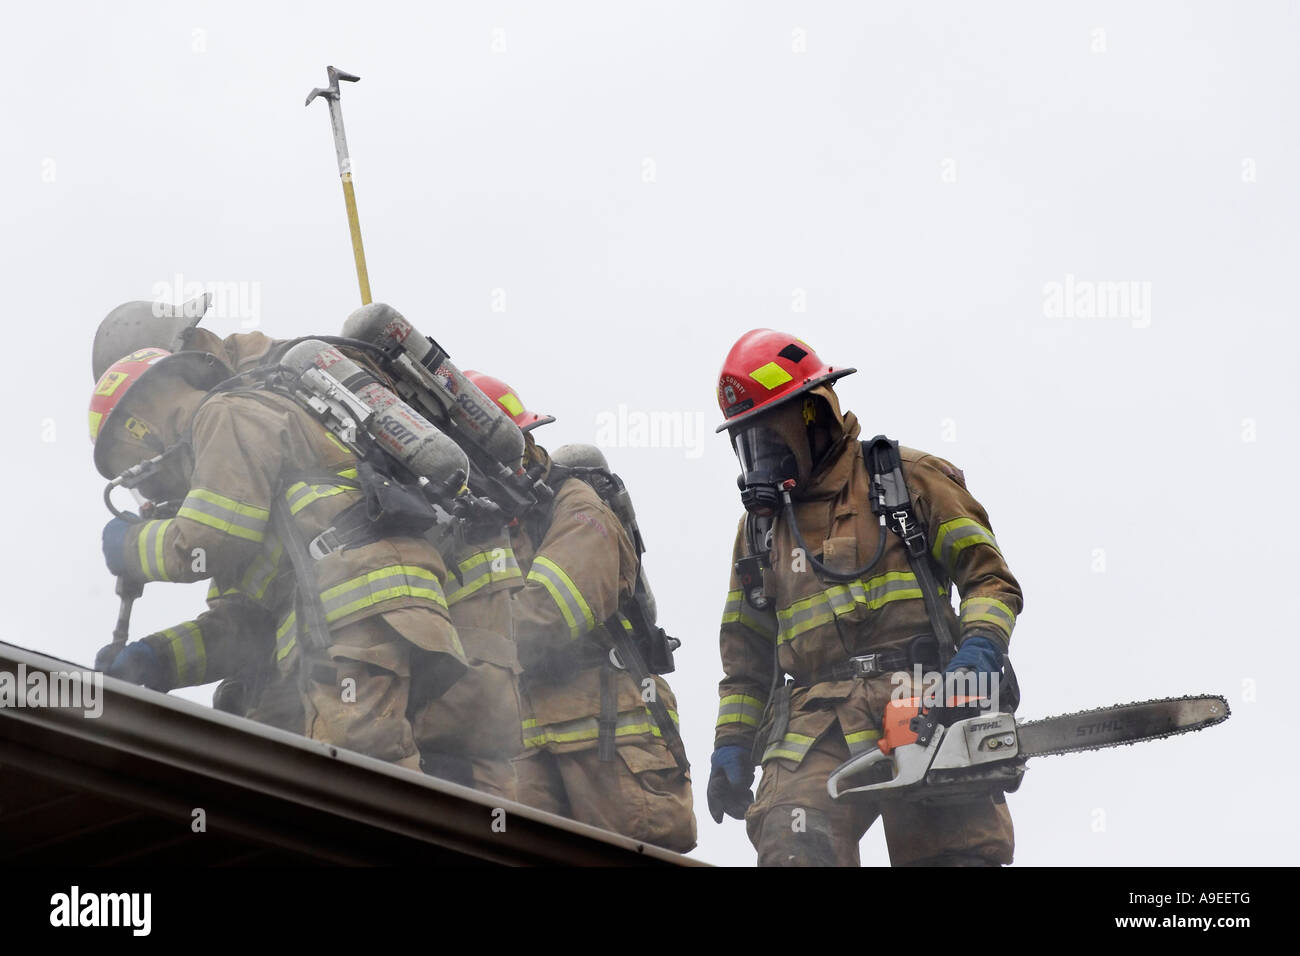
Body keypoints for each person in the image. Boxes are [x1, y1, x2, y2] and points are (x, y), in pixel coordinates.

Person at [707, 329, 1023, 866]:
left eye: (769, 437)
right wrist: (731, 743)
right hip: (813, 724)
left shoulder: (907, 479)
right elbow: (745, 661)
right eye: (748, 443)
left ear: (813, 414)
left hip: (927, 701)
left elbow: (989, 580)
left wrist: (979, 657)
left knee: (955, 853)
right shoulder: (759, 532)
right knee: (791, 842)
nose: (759, 458)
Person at [90, 344, 467, 769]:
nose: (150, 491)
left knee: (355, 774)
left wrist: (130, 547)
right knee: (267, 769)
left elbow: (212, 538)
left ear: (139, 428)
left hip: (358, 608)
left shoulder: (225, 413)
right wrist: (156, 658)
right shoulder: (233, 464)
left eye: (132, 466)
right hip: (339, 618)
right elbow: (245, 627)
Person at [466, 370, 697, 852]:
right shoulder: (488, 522)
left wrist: (460, 632)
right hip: (523, 739)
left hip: (608, 731)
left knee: (632, 851)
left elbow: (550, 613)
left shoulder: (578, 507)